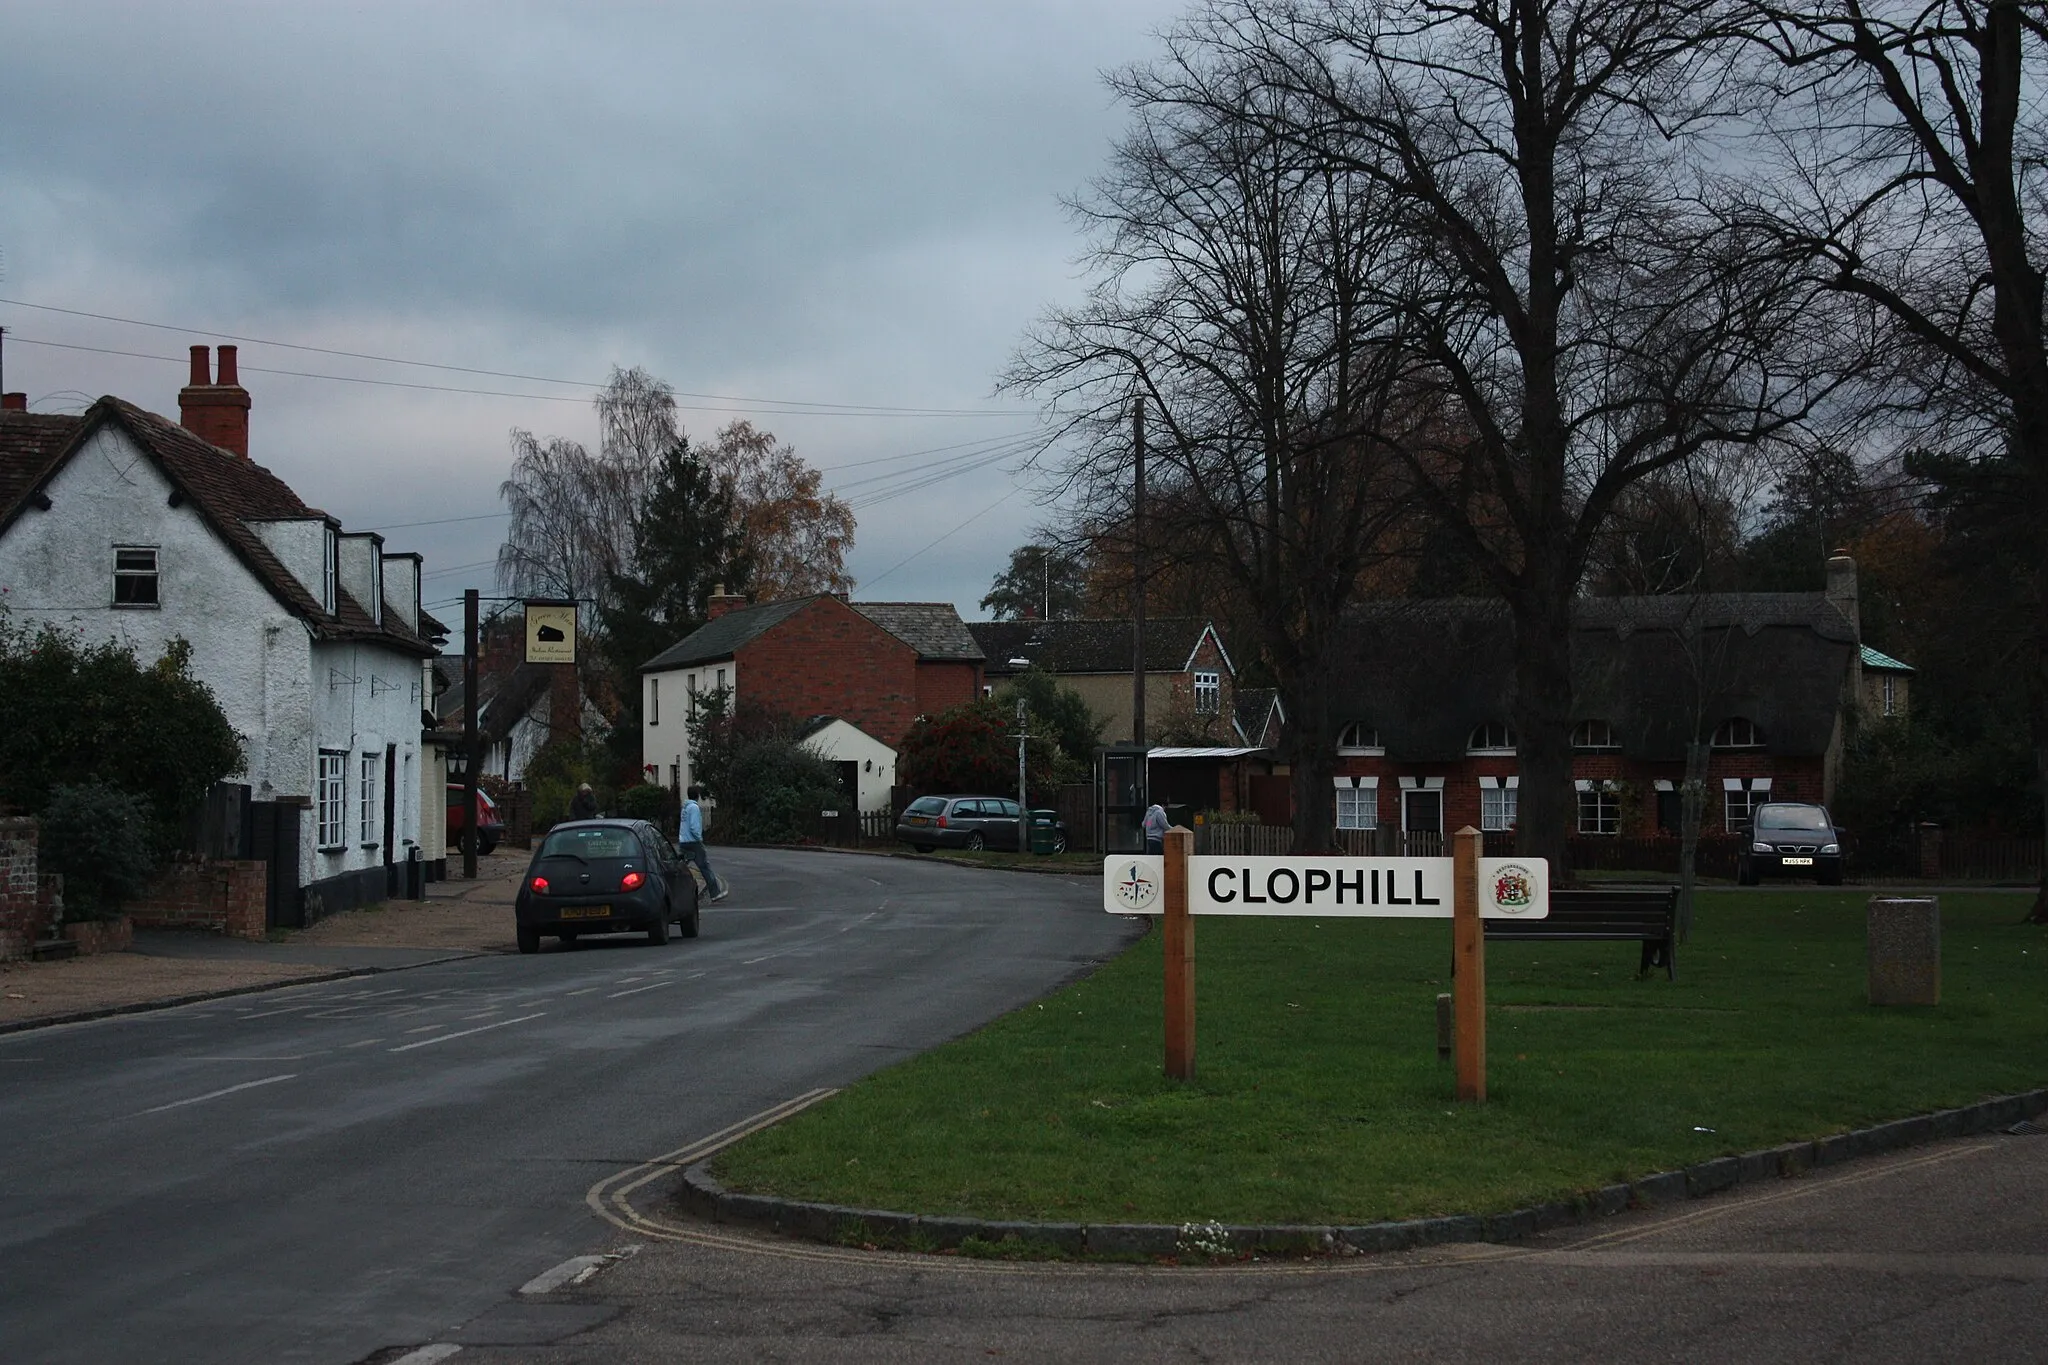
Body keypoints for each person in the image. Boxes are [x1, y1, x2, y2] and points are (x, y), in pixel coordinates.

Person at [679, 785, 728, 901]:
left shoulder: (685, 808)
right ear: (698, 796)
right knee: (705, 867)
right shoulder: (694, 808)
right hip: (694, 842)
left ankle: (679, 893)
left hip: (684, 841)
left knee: (681, 868)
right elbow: (694, 826)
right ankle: (715, 893)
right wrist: (699, 838)